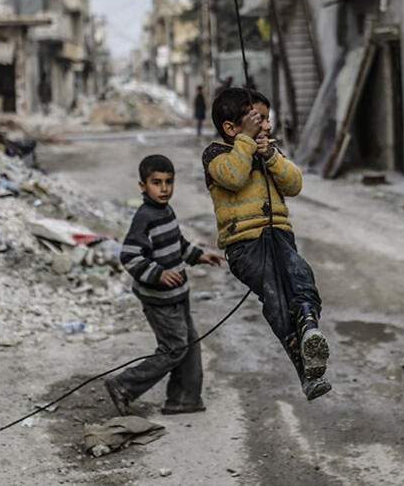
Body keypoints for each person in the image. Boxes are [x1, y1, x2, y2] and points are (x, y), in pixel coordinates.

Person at [201, 88, 331, 401]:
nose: (267, 127)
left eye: (267, 120)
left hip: (280, 234)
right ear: (232, 129)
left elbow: (294, 184)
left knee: (301, 277)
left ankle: (310, 331)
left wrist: (271, 156)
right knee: (275, 298)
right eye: (259, 120)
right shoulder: (215, 154)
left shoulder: (268, 151)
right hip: (245, 245)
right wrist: (247, 143)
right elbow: (233, 177)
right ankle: (305, 365)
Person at [104, 155, 224, 416]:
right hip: (159, 299)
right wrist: (157, 274)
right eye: (156, 183)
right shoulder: (145, 217)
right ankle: (123, 385)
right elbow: (130, 255)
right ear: (142, 185)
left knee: (190, 344)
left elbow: (176, 243)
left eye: (169, 182)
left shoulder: (166, 211)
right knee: (173, 349)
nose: (164, 188)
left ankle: (184, 398)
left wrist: (199, 255)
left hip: (178, 294)